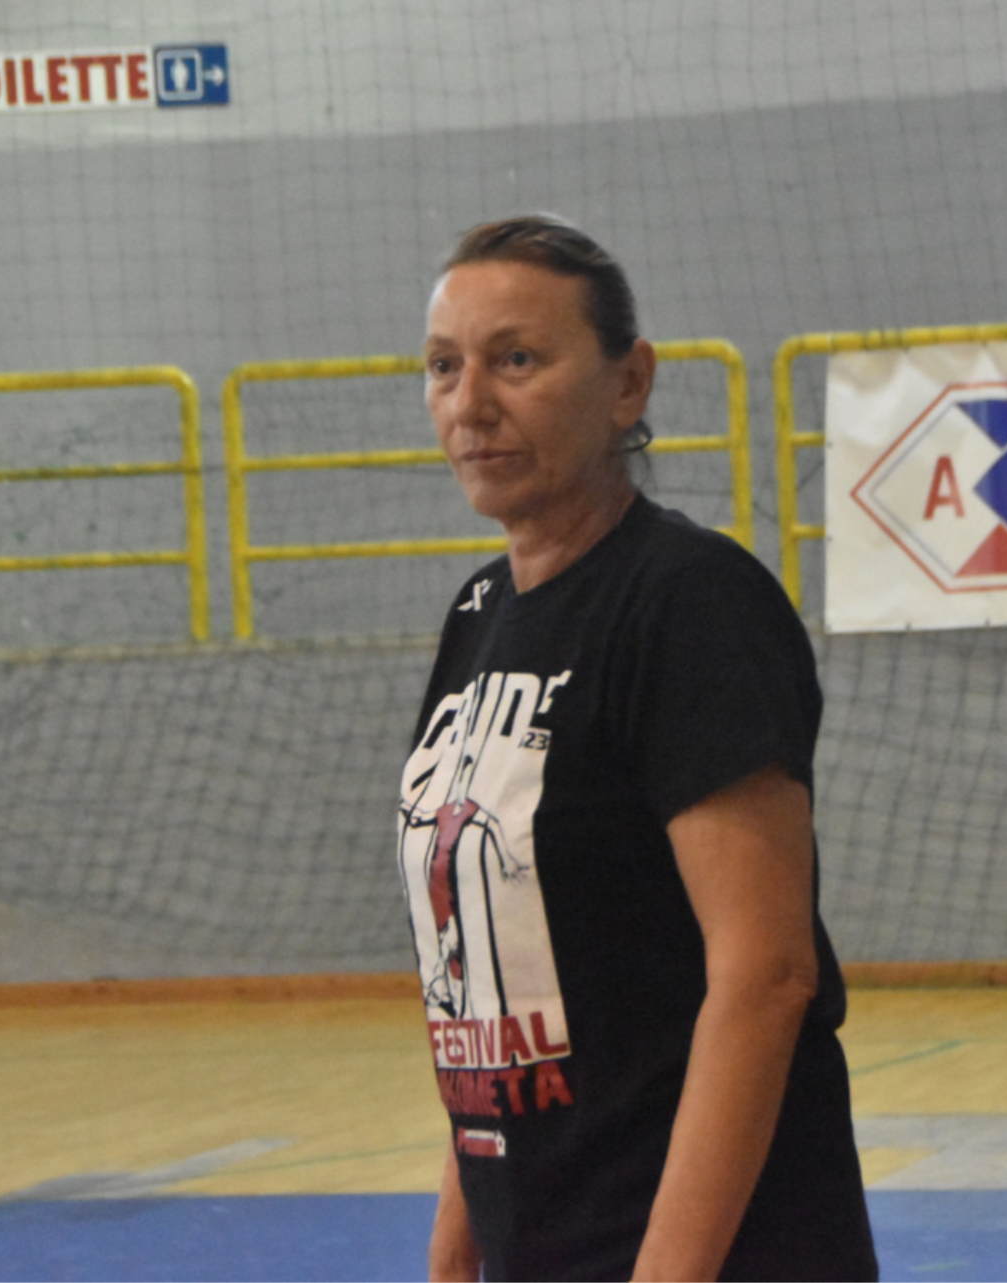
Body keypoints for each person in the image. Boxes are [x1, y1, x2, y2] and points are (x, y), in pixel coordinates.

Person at [396, 214, 877, 1283]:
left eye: (517, 359)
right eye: (443, 365)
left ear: (628, 383)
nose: (470, 402)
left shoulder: (688, 603)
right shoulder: (479, 616)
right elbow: (488, 988)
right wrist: (456, 1244)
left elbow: (767, 972)